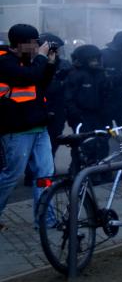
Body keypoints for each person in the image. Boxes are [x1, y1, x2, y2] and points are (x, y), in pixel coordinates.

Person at [0, 24, 58, 230]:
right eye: (34, 42)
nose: (37, 46)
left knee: (45, 175)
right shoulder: (4, 61)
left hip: (38, 126)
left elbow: (40, 84)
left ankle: (46, 220)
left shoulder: (29, 61)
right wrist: (41, 58)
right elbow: (26, 78)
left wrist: (49, 64)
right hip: (15, 129)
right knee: (11, 176)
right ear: (20, 44)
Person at [64, 44, 110, 167]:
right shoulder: (75, 75)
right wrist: (75, 114)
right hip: (82, 115)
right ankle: (77, 170)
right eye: (91, 59)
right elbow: (68, 97)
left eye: (96, 59)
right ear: (85, 60)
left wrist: (106, 112)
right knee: (84, 145)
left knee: (102, 142)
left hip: (98, 115)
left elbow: (105, 94)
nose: (95, 62)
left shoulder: (101, 74)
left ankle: (102, 169)